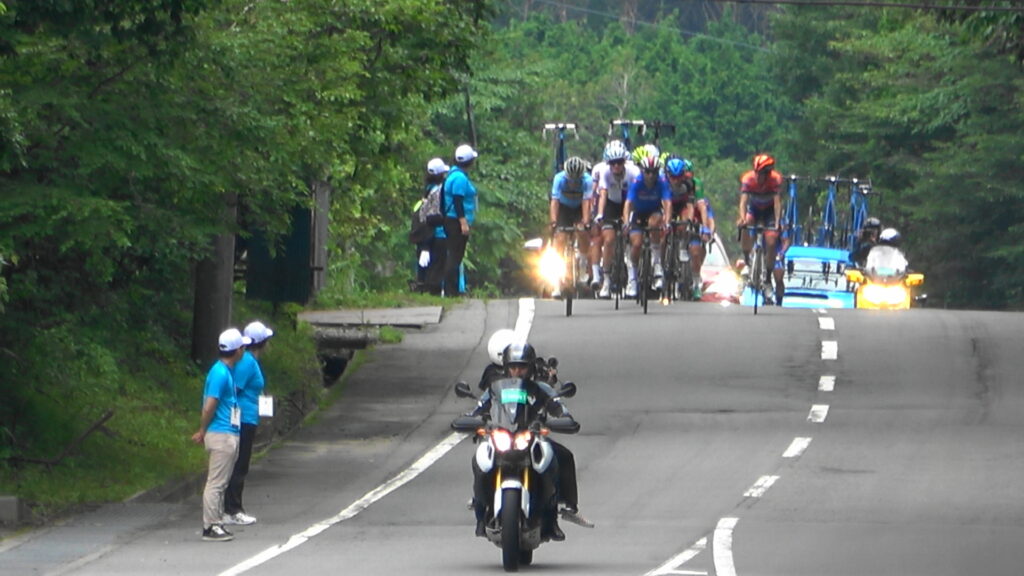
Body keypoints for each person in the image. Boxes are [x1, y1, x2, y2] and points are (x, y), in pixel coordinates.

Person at [469, 341, 582, 542]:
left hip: (531, 437)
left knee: (562, 456)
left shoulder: (542, 389)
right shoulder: (495, 390)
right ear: (506, 368)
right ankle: (480, 511)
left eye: (522, 367)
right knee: (479, 459)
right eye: (513, 366)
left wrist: (563, 418)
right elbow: (478, 409)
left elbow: (559, 408)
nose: (517, 371)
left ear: (530, 368)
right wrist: (471, 419)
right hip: (502, 436)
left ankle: (557, 513)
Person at [191, 328, 249, 542]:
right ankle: (210, 525)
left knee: (221, 481)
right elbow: (210, 405)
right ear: (237, 351)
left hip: (227, 431)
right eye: (242, 347)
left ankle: (216, 520)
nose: (244, 350)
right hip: (221, 432)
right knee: (216, 482)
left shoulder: (225, 371)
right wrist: (203, 429)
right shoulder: (220, 373)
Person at [223, 321, 274, 527]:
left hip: (246, 416)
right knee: (240, 463)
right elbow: (235, 388)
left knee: (238, 462)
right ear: (262, 343)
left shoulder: (248, 360)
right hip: (243, 418)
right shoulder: (248, 362)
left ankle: (232, 507)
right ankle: (233, 509)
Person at [623, 147, 672, 297]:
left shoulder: (662, 182)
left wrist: (668, 222)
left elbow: (667, 203)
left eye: (654, 173)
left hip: (654, 212)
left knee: (655, 224)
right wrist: (626, 222)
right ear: (643, 171)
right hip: (638, 213)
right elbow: (628, 204)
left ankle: (657, 264)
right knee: (636, 244)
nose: (651, 176)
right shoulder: (637, 182)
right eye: (648, 172)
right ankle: (632, 278)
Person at [594, 140, 640, 299]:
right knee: (608, 240)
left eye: (619, 163)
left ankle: (632, 279)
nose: (616, 167)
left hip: (630, 203)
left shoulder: (633, 172)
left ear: (624, 162)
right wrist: (600, 214)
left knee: (632, 240)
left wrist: (629, 219)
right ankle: (606, 281)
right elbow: (603, 195)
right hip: (612, 205)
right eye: (613, 163)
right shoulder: (605, 173)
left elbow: (635, 197)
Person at [665, 157, 714, 299]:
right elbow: (663, 203)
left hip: (683, 206)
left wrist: (702, 226)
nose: (676, 180)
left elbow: (697, 206)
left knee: (687, 228)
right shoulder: (663, 182)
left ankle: (695, 281)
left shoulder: (693, 184)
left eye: (681, 175)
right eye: (673, 177)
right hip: (668, 205)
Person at [549, 156, 594, 298]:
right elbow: (555, 202)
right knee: (560, 239)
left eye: (577, 180)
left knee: (583, 233)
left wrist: (585, 222)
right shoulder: (559, 179)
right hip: (564, 208)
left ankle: (582, 267)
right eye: (571, 180)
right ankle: (556, 284)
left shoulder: (587, 180)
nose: (574, 183)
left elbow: (587, 202)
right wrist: (554, 222)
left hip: (579, 208)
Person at [737, 153, 784, 287]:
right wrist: (742, 218)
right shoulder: (748, 179)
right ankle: (747, 260)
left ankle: (768, 277)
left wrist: (777, 223)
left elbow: (777, 203)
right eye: (757, 172)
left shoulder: (775, 179)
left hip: (769, 211)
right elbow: (743, 203)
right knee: (746, 224)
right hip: (754, 209)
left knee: (771, 240)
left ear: (768, 173)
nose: (758, 176)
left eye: (762, 173)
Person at [442, 144, 479, 297]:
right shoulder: (459, 178)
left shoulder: (453, 174)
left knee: (455, 255)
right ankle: (451, 290)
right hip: (455, 221)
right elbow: (458, 201)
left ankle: (453, 289)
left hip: (451, 220)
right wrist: (463, 222)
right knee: (455, 256)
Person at [421, 158, 449, 295]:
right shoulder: (439, 191)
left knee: (431, 265)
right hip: (440, 233)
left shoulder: (427, 190)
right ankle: (434, 291)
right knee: (439, 265)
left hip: (427, 234)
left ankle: (428, 289)